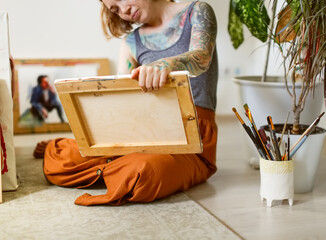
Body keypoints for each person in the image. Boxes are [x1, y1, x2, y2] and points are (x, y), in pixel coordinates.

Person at [37, 0, 218, 206]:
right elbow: (124, 100)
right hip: (145, 130)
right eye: (115, 9)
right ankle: (116, 167)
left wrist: (165, 64)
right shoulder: (131, 41)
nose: (123, 11)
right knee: (63, 157)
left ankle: (112, 167)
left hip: (192, 136)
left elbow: (202, 57)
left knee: (144, 172)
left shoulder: (198, 10)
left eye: (122, 0)